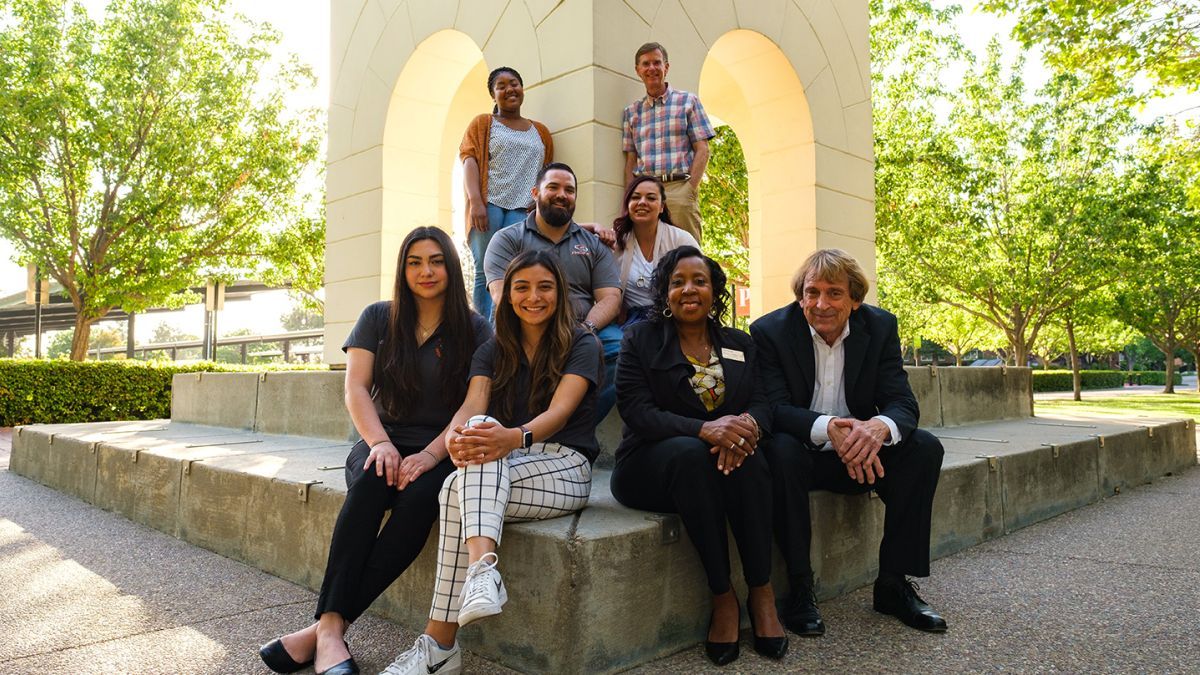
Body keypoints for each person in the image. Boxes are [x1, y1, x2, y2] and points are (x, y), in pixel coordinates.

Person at [259, 227, 491, 675]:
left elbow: (474, 404)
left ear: (452, 266)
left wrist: (429, 456)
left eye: (437, 260)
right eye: (415, 261)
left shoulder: (476, 328)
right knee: (369, 485)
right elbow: (356, 388)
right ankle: (329, 629)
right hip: (379, 437)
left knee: (422, 501)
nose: (426, 271)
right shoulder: (378, 317)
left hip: (441, 447)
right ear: (403, 269)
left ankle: (323, 632)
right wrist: (380, 442)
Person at [380, 250, 602, 675]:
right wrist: (453, 441)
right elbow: (471, 407)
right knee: (468, 449)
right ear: (506, 295)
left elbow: (559, 414)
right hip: (503, 462)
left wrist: (511, 437)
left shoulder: (582, 342)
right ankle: (481, 577)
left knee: (462, 478)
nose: (532, 297)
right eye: (521, 287)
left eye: (544, 287)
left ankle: (440, 646)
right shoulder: (493, 348)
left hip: (565, 467)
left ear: (559, 291)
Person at [750, 249, 947, 638]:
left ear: (855, 300)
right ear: (800, 295)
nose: (821, 304)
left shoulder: (881, 327)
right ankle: (801, 588)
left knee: (924, 448)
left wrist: (876, 429)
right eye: (812, 292)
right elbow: (773, 407)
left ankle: (892, 584)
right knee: (780, 450)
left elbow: (902, 402)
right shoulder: (769, 332)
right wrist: (830, 428)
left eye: (834, 293)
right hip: (801, 454)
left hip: (860, 454)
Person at [610, 246, 788, 666]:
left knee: (754, 458)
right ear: (665, 292)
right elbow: (637, 411)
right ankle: (723, 595)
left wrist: (745, 429)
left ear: (714, 290)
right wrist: (705, 429)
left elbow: (763, 402)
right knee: (693, 455)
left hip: (724, 461)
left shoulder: (740, 343)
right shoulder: (640, 339)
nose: (689, 289)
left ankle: (761, 592)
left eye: (700, 281)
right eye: (678, 282)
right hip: (650, 465)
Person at [483, 162, 622, 421]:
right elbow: (501, 295)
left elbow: (611, 297)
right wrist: (540, 329)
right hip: (524, 325)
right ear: (535, 194)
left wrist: (587, 328)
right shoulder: (507, 239)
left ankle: (575, 424)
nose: (562, 194)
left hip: (581, 327)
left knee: (622, 349)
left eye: (569, 190)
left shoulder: (593, 244)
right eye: (553, 187)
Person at [459, 66, 554, 319]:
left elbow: (546, 172)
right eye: (501, 86)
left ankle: (506, 326)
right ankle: (483, 330)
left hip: (523, 209)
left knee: (516, 269)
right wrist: (475, 201)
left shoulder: (540, 131)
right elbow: (469, 160)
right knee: (485, 270)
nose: (509, 89)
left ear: (522, 88)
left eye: (514, 83)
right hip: (489, 206)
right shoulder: (483, 123)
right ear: (493, 95)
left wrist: (539, 204)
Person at [621, 42, 715, 242]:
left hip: (680, 187)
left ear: (666, 67)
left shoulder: (688, 102)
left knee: (688, 253)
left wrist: (690, 189)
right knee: (648, 253)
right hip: (646, 192)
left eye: (657, 62)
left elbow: (703, 149)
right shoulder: (631, 113)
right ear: (638, 70)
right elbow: (631, 160)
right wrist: (631, 196)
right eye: (646, 64)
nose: (652, 68)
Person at [610, 175, 699, 327]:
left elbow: (702, 280)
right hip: (632, 322)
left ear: (662, 207)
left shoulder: (681, 240)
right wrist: (593, 226)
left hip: (675, 320)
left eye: (651, 198)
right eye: (635, 197)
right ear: (628, 204)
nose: (642, 202)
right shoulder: (616, 241)